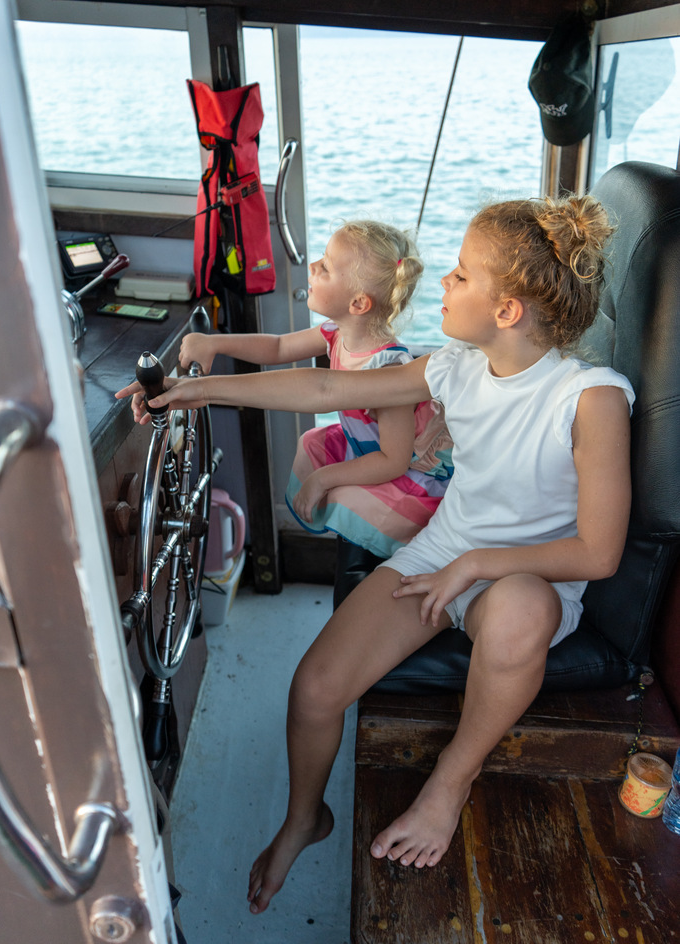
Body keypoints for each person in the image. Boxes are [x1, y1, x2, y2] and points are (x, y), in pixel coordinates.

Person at [117, 194, 634, 916]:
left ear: (508, 309)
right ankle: (305, 817)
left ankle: (447, 786)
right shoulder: (456, 364)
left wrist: (476, 567)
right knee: (314, 690)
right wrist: (196, 390)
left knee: (517, 612)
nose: (443, 286)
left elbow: (598, 552)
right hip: (445, 551)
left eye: (460, 276)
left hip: (525, 574)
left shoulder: (589, 397)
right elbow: (328, 384)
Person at [178, 219, 452, 559]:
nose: (312, 266)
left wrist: (324, 479)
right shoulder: (335, 332)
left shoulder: (388, 370)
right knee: (311, 442)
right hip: (365, 452)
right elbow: (276, 347)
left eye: (326, 266)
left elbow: (394, 460)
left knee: (341, 495)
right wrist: (214, 343)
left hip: (402, 473)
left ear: (358, 304)